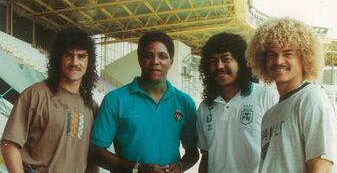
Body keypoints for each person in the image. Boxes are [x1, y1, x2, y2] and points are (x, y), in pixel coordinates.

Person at [90, 31, 199, 173]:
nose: (155, 62)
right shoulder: (115, 99)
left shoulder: (185, 103)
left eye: (162, 56)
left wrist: (180, 166)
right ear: (140, 60)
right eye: (148, 56)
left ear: (171, 62)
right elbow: (96, 151)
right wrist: (137, 168)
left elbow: (192, 152)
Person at [1, 28, 99, 173]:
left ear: (89, 62)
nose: (74, 62)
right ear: (58, 58)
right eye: (69, 55)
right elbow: (10, 144)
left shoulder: (92, 107)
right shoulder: (35, 95)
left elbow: (92, 159)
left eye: (81, 56)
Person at [247, 17, 337, 173]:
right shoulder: (270, 114)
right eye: (271, 55)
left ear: (304, 58)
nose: (278, 61)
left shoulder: (312, 98)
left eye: (287, 54)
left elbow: (321, 167)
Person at [197, 33, 278, 173]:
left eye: (226, 59)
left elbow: (278, 151)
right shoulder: (205, 107)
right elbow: (206, 155)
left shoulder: (266, 96)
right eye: (213, 61)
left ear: (241, 62)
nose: (219, 66)